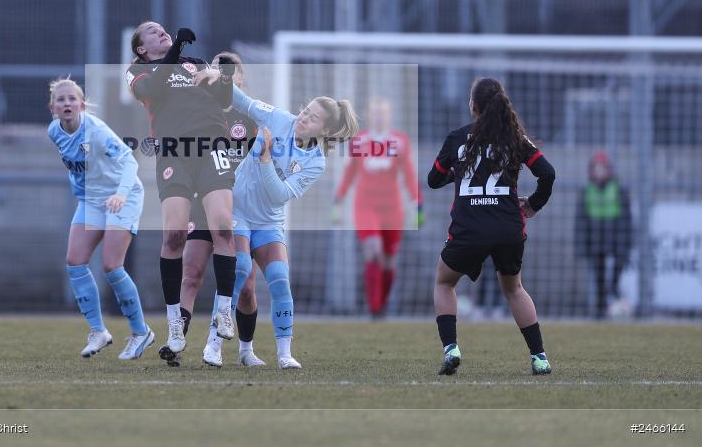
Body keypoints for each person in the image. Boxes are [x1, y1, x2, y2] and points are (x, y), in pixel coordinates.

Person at [195, 68, 359, 369]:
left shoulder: (315, 163)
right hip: (239, 212)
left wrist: (267, 158)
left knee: (281, 281)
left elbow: (279, 195)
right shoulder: (279, 119)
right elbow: (244, 102)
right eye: (305, 111)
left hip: (268, 222)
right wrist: (217, 75)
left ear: (323, 131)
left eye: (312, 118)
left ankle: (283, 354)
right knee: (241, 269)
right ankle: (214, 344)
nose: (303, 118)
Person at [427, 77, 555, 376]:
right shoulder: (515, 139)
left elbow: (433, 180)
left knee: (444, 283)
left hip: (469, 227)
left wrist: (459, 174)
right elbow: (547, 173)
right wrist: (534, 204)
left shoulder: (457, 139)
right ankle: (539, 357)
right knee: (514, 289)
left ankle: (451, 349)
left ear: (473, 106)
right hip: (507, 227)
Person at [126, 22, 237, 366]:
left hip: (213, 144)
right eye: (152, 32)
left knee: (222, 228)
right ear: (141, 49)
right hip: (174, 151)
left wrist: (226, 78)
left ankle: (223, 313)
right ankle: (175, 322)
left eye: (163, 29)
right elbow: (155, 90)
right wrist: (173, 53)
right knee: (174, 236)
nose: (161, 32)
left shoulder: (196, 62)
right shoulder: (137, 71)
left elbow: (222, 100)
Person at [47, 77, 154, 360]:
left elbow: (130, 161)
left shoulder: (95, 130)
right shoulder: (53, 131)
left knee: (111, 265)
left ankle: (141, 332)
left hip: (124, 194)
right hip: (92, 199)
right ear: (53, 108)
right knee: (75, 261)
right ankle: (98, 331)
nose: (67, 103)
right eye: (61, 99)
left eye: (72, 99)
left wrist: (119, 194)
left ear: (82, 105)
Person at [178, 52, 268, 367]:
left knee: (245, 286)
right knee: (190, 273)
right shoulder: (196, 113)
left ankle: (246, 350)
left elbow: (263, 165)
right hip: (204, 204)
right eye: (214, 68)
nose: (219, 72)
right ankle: (177, 342)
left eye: (228, 70)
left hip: (240, 209)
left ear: (239, 79)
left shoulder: (252, 121)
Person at [331, 98, 423, 318]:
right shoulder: (359, 141)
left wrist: (417, 203)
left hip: (392, 207)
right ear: (369, 115)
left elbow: (409, 173)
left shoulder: (399, 141)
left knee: (389, 262)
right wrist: (338, 201)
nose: (380, 116)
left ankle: (381, 304)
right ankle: (374, 308)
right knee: (373, 252)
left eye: (384, 112)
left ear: (390, 115)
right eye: (376, 112)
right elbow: (350, 173)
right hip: (365, 205)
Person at [575, 151, 633, 319]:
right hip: (595, 238)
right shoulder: (587, 190)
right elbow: (581, 220)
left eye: (602, 168)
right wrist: (581, 245)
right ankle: (601, 308)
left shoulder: (619, 189)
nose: (599, 172)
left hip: (616, 236)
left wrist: (626, 243)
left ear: (609, 170)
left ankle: (613, 291)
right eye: (596, 169)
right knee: (598, 274)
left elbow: (626, 219)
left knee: (618, 267)